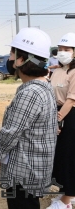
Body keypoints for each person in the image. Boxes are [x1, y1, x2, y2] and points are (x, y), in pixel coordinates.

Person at [0, 27, 58, 209]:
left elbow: (11, 132)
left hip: (24, 172)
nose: (9, 58)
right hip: (34, 169)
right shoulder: (43, 85)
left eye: (12, 53)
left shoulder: (31, 92)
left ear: (22, 59)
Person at [47, 32, 75, 209]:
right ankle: (65, 194)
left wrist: (57, 120)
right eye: (60, 49)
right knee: (60, 157)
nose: (63, 52)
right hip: (56, 113)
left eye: (67, 49)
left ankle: (67, 201)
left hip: (69, 116)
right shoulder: (56, 70)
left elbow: (71, 100)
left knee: (70, 157)